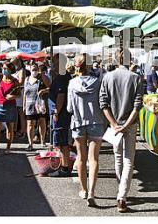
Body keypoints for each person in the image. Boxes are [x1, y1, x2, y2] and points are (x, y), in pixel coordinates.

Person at [99, 48, 144, 213]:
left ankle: (121, 192)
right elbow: (137, 105)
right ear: (129, 60)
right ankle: (122, 195)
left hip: (114, 124)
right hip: (129, 124)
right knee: (128, 160)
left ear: (116, 60)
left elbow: (103, 103)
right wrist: (125, 125)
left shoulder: (107, 77)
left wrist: (114, 123)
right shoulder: (135, 78)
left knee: (118, 157)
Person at [67, 54, 105, 206]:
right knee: (93, 158)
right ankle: (92, 192)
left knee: (81, 158)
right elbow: (102, 102)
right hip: (96, 121)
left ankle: (83, 190)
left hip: (78, 122)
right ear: (89, 66)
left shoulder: (71, 83)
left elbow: (69, 108)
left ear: (76, 66)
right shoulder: (98, 82)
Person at [48, 54, 72, 177]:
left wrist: (56, 111)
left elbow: (61, 96)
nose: (53, 64)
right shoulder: (60, 76)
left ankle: (65, 167)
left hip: (61, 115)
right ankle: (64, 166)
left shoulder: (62, 77)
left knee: (62, 142)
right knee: (62, 142)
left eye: (55, 62)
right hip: (61, 113)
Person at [0, 62, 20, 157]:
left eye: (6, 68)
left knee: (10, 128)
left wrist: (12, 96)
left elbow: (19, 94)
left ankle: (8, 148)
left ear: (11, 70)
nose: (4, 70)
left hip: (10, 106)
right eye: (3, 68)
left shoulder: (15, 81)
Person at [23, 63, 50, 150]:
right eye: (32, 69)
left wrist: (44, 90)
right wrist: (24, 105)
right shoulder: (27, 79)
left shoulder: (42, 77)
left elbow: (50, 88)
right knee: (30, 124)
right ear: (30, 69)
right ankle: (30, 144)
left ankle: (43, 141)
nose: (34, 71)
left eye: (35, 69)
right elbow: (24, 93)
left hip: (40, 104)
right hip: (29, 104)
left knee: (42, 122)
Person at [11, 58, 27, 138]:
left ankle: (22, 130)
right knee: (15, 113)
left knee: (20, 112)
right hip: (16, 92)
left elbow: (21, 82)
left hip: (19, 92)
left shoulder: (22, 71)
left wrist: (12, 81)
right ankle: (15, 130)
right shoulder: (16, 71)